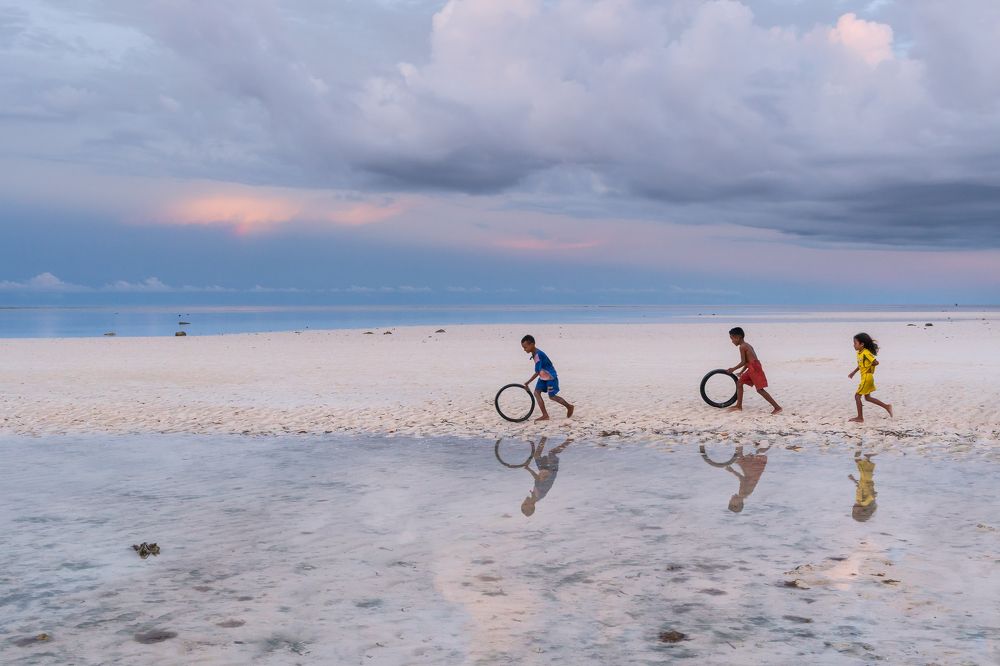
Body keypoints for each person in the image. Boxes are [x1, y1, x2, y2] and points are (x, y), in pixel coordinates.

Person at [726, 327, 782, 415]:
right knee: (739, 383)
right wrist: (741, 372)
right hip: (753, 367)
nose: (732, 341)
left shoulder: (742, 346)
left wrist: (733, 369)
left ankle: (777, 407)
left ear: (738, 337)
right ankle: (738, 406)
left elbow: (743, 362)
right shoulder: (748, 345)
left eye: (732, 338)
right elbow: (748, 362)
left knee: (760, 390)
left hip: (755, 369)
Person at [521, 334, 575, 422]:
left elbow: (537, 372)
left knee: (552, 396)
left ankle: (569, 406)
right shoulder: (534, 353)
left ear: (532, 344)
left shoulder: (538, 355)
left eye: (525, 347)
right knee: (536, 393)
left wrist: (527, 382)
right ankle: (545, 415)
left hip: (550, 377)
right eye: (523, 348)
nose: (524, 350)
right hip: (543, 377)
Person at [520, 437, 573, 517]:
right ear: (531, 506)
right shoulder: (539, 494)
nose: (524, 501)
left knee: (537, 455)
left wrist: (529, 469)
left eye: (523, 503)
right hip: (551, 470)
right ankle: (569, 440)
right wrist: (528, 469)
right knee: (552, 453)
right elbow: (538, 478)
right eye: (526, 503)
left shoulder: (534, 495)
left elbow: (538, 478)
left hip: (543, 470)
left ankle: (544, 436)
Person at [848, 333, 893, 423]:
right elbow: (860, 365)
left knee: (857, 396)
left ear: (862, 344)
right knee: (867, 398)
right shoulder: (859, 353)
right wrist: (853, 372)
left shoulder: (866, 353)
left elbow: (876, 362)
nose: (853, 345)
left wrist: (869, 369)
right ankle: (887, 406)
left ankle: (860, 418)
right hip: (865, 377)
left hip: (867, 378)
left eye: (855, 343)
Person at [849, 450, 878, 522]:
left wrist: (853, 480)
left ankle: (865, 456)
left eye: (854, 511)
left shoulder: (861, 502)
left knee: (865, 469)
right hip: (866, 482)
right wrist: (853, 480)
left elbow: (860, 489)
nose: (853, 509)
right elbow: (869, 495)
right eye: (856, 511)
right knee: (864, 469)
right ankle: (860, 456)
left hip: (865, 482)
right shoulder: (862, 502)